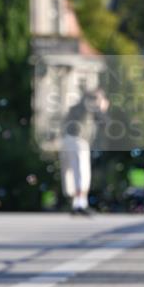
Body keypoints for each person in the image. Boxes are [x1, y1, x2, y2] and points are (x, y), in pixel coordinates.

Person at [59, 88, 109, 216]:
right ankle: (80, 204)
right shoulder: (92, 106)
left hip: (67, 140)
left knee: (74, 172)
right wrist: (103, 108)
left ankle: (77, 204)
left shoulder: (76, 107)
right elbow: (104, 123)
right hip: (79, 141)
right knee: (82, 173)